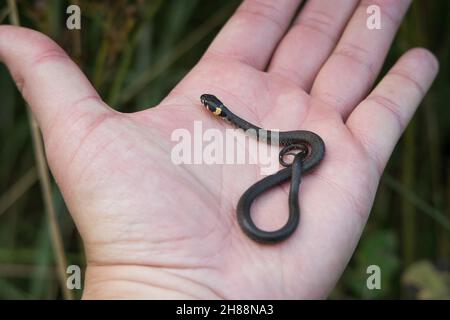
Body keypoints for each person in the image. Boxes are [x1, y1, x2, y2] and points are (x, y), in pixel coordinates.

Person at [0, 0, 438, 299]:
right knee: (290, 163)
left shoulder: (265, 133)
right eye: (211, 108)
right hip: (290, 163)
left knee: (293, 160)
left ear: (217, 112)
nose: (208, 110)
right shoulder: (254, 132)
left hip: (298, 155)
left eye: (210, 108)